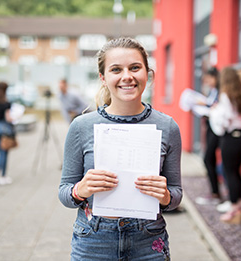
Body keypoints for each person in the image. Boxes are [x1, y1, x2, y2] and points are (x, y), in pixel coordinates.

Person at [59, 37, 182, 260]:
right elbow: (64, 192)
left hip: (148, 240)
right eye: (116, 69)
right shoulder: (81, 126)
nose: (127, 76)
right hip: (94, 240)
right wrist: (81, 190)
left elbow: (176, 194)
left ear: (148, 73)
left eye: (135, 67)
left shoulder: (168, 127)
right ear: (103, 78)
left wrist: (164, 196)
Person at [209, 67, 241, 224]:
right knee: (236, 171)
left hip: (232, 137)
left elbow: (223, 121)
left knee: (230, 172)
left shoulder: (226, 96)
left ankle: (234, 207)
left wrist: (214, 112)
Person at [192, 67, 223, 206]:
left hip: (217, 128)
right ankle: (215, 191)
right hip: (211, 126)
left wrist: (206, 106)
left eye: (209, 79)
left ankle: (216, 193)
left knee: (209, 158)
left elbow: (218, 108)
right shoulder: (213, 91)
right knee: (209, 159)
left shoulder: (221, 91)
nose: (207, 82)